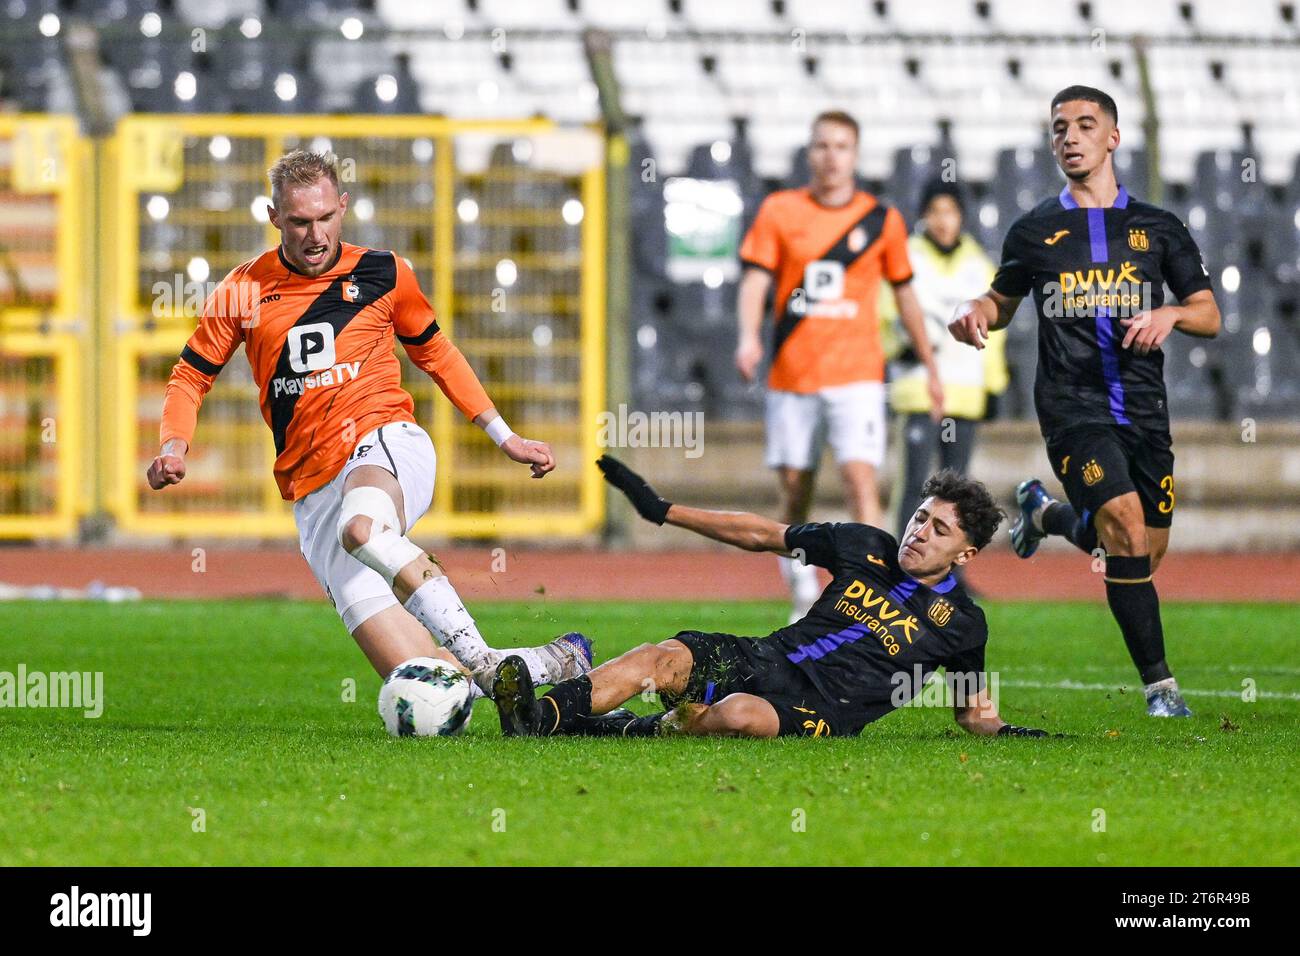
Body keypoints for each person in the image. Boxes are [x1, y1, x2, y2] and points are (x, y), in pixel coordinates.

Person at [146, 149, 590, 694]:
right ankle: (557, 664)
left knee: (363, 528)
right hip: (313, 495)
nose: (315, 235)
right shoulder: (243, 291)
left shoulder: (384, 272)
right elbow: (190, 376)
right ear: (273, 217)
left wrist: (505, 436)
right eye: (300, 222)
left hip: (385, 443)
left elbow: (436, 353)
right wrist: (174, 445)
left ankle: (482, 655)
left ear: (343, 206)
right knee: (429, 687)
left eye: (326, 218)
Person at [949, 86, 1221, 717]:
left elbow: (1210, 315)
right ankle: (1162, 689)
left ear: (1113, 138)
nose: (1069, 137)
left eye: (1084, 125)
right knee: (1123, 530)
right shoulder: (1035, 230)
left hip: (1144, 410)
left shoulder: (1158, 227)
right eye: (1059, 128)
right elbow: (1001, 301)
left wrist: (1173, 314)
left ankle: (1044, 516)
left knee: (1141, 553)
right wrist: (974, 310)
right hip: (1073, 407)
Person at [490, 455, 1053, 741]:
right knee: (660, 658)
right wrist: (663, 510)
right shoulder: (864, 545)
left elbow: (973, 712)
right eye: (920, 517)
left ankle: (635, 730)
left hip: (820, 710)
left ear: (966, 555)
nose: (919, 532)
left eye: (939, 530)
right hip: (767, 657)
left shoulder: (963, 625)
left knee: (739, 716)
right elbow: (761, 534)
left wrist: (1018, 733)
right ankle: (537, 717)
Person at [735, 110, 945, 623]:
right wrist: (747, 336)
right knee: (795, 490)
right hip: (793, 376)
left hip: (857, 377)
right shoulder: (780, 211)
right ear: (810, 153)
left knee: (859, 481)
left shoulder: (882, 220)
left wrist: (932, 365)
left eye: (841, 146)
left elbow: (905, 294)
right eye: (822, 145)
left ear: (856, 154)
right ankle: (803, 592)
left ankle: (871, 596)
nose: (831, 156)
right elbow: (756, 280)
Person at [882, 179, 1007, 544]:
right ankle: (900, 568)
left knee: (959, 495)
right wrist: (897, 344)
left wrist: (994, 385)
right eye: (935, 211)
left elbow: (993, 330)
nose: (942, 220)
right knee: (914, 487)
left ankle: (953, 572)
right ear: (923, 215)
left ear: (961, 217)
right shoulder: (905, 256)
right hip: (917, 390)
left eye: (949, 211)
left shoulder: (980, 265)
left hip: (965, 391)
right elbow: (883, 311)